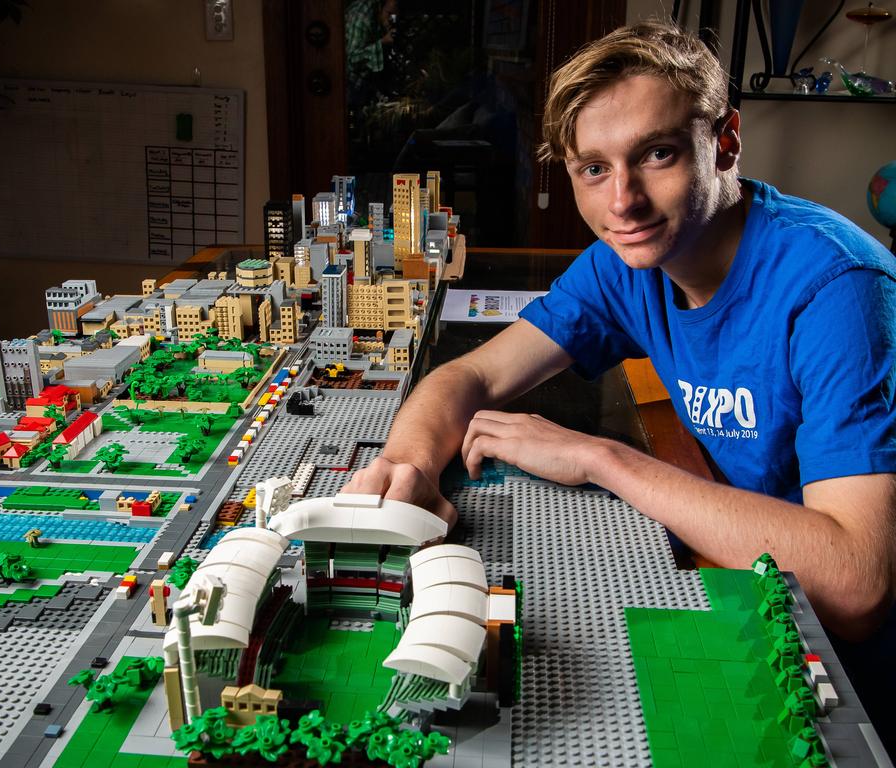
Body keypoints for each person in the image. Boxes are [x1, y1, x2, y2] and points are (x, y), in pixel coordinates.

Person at [343, 19, 895, 745]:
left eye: (657, 154)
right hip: (736, 569)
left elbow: (857, 586)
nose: (622, 202)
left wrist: (602, 459)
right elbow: (473, 373)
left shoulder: (836, 289)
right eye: (592, 169)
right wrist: (405, 465)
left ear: (725, 141)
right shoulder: (628, 259)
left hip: (847, 667)